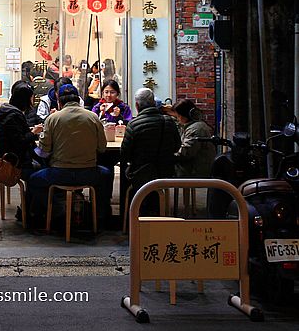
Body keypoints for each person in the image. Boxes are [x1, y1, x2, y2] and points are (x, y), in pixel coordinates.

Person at [28, 85, 112, 226]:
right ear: (78, 100)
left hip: (59, 173)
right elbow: (102, 148)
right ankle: (100, 215)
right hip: (89, 173)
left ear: (59, 102)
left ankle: (50, 213)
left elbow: (44, 151)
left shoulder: (53, 118)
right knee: (107, 175)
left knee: (33, 180)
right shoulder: (92, 117)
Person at [119, 87, 181, 216]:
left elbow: (125, 154)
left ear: (137, 105)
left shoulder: (133, 124)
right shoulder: (169, 122)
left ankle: (130, 216)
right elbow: (177, 146)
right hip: (165, 171)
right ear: (154, 102)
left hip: (140, 174)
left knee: (126, 174)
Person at [0, 81, 43, 181]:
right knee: (43, 171)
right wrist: (33, 132)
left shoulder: (8, 111)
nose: (32, 100)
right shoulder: (14, 116)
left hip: (10, 158)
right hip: (14, 162)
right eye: (31, 97)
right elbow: (20, 142)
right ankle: (33, 196)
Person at [172, 98, 215, 178]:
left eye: (178, 116)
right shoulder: (194, 126)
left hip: (195, 171)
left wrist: (169, 155)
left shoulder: (195, 129)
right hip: (195, 168)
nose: (177, 119)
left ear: (184, 115)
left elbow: (185, 153)